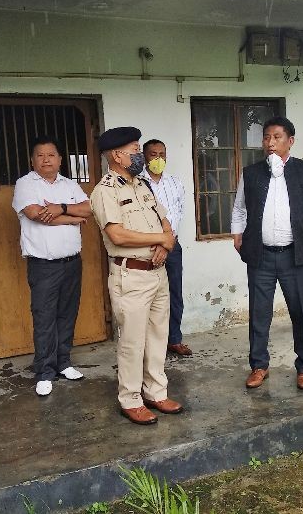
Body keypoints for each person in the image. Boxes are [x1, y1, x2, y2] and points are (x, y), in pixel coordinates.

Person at [231, 116, 303, 390]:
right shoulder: (251, 173)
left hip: (295, 256)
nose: (270, 143)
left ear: (290, 141)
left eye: (277, 137)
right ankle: (258, 365)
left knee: (301, 313)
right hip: (260, 256)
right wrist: (237, 233)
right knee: (259, 313)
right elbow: (239, 207)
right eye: (266, 137)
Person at [90, 126, 183, 425]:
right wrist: (161, 238)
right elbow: (116, 234)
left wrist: (165, 244)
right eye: (134, 149)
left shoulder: (143, 185)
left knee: (158, 335)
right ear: (117, 155)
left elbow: (165, 220)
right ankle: (130, 398)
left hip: (157, 273)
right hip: (130, 276)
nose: (140, 154)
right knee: (132, 341)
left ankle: (156, 392)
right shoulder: (105, 190)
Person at [12, 135, 92, 396]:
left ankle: (63, 362)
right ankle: (45, 371)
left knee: (67, 314)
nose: (46, 159)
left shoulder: (69, 184)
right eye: (40, 155)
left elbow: (89, 209)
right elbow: (36, 215)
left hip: (72, 263)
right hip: (44, 265)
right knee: (45, 317)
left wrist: (61, 208)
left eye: (51, 155)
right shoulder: (25, 184)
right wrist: (72, 219)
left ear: (59, 159)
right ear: (32, 159)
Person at [142, 139, 191, 356]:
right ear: (145, 156)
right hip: (146, 247)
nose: (158, 159)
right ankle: (148, 343)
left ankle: (174, 339)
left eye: (162, 154)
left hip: (172, 246)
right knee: (147, 296)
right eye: (153, 154)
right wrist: (158, 240)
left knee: (174, 293)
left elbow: (178, 212)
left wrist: (168, 240)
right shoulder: (137, 182)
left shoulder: (175, 183)